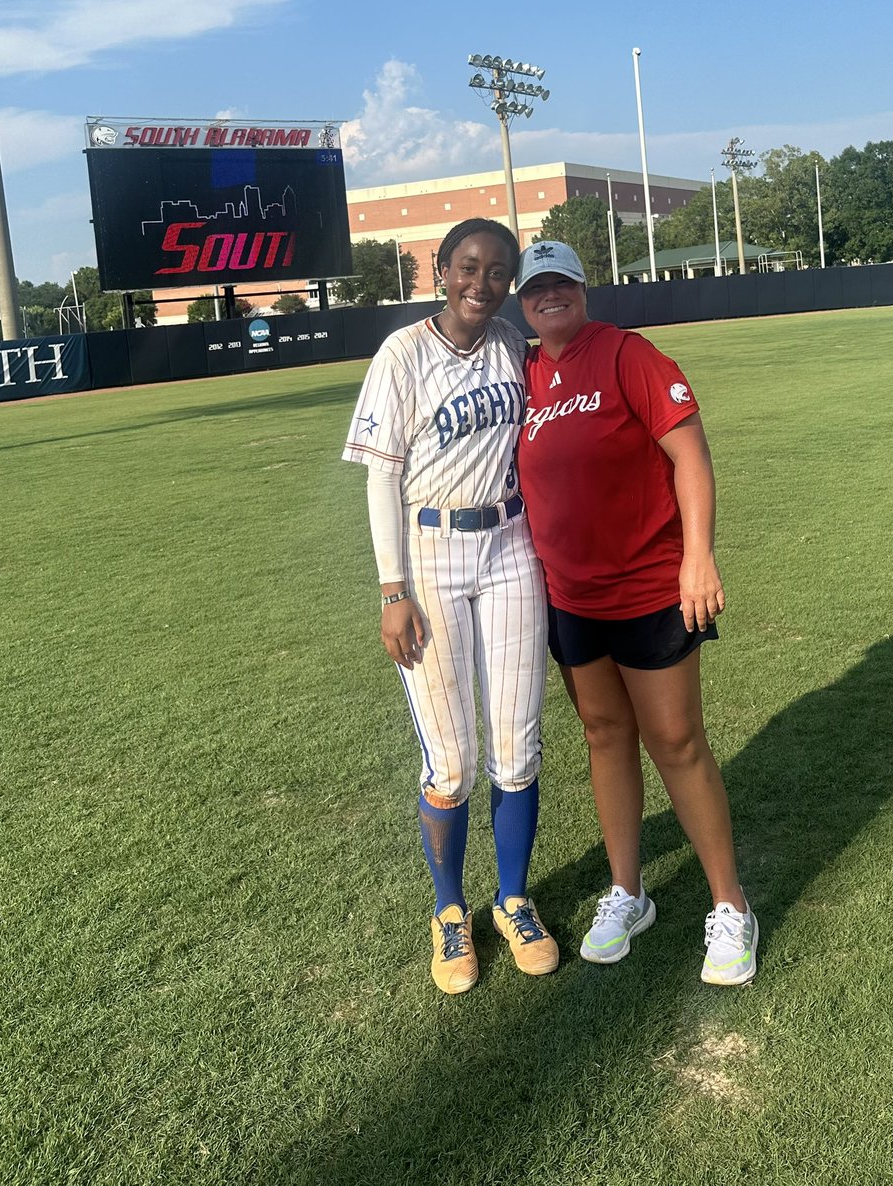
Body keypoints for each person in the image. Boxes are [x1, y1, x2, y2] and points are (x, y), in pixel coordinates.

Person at [514, 241, 757, 986]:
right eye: (536, 288)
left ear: (583, 290)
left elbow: (691, 454)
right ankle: (628, 892)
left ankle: (730, 904)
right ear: (523, 303)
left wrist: (698, 555)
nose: (549, 295)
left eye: (562, 283)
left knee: (677, 741)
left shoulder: (628, 355)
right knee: (604, 735)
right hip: (570, 596)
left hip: (652, 586)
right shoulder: (522, 374)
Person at [342, 219, 557, 995]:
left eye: (498, 271)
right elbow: (379, 481)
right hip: (429, 551)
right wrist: (391, 590)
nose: (483, 281)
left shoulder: (512, 345)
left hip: (509, 546)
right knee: (453, 762)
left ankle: (513, 900)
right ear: (441, 269)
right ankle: (449, 912)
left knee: (517, 747)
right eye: (469, 266)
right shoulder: (402, 352)